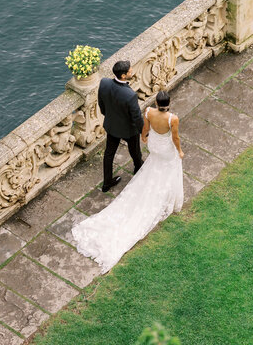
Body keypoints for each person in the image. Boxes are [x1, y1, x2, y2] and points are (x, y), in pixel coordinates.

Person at [72, 90, 185, 273]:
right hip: (165, 149)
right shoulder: (173, 119)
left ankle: (152, 186)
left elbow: (145, 129)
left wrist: (144, 138)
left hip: (155, 146)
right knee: (168, 167)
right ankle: (166, 195)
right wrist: (179, 150)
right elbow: (175, 137)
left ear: (156, 102)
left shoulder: (148, 111)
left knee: (153, 166)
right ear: (169, 102)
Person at [98, 60, 144, 192]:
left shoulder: (104, 83)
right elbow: (137, 117)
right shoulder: (130, 95)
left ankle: (107, 183)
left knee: (109, 154)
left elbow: (101, 104)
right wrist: (143, 132)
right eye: (130, 71)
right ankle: (138, 169)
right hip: (128, 130)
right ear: (123, 76)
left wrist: (108, 116)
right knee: (135, 151)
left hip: (112, 126)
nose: (132, 71)